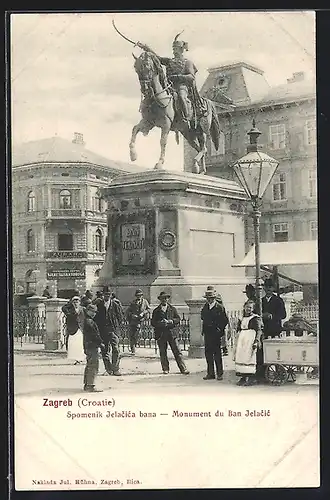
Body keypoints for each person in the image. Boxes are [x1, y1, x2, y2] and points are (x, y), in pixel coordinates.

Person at [138, 33, 204, 128]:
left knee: (181, 97)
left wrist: (177, 76)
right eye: (173, 49)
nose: (174, 51)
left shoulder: (187, 62)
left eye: (176, 49)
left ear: (181, 50)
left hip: (182, 86)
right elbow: (158, 58)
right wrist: (145, 47)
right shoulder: (170, 61)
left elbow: (191, 77)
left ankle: (186, 119)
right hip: (169, 87)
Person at [151, 291, 189, 375]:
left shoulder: (172, 309)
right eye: (163, 298)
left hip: (172, 334)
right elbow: (153, 322)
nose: (164, 300)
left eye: (166, 298)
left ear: (168, 299)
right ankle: (165, 369)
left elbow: (178, 319)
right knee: (163, 352)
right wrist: (160, 323)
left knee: (177, 351)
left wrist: (171, 321)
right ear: (160, 299)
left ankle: (183, 368)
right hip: (161, 334)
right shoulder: (156, 311)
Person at [94, 286, 125, 376]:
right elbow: (95, 318)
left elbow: (120, 317)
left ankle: (115, 369)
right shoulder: (99, 304)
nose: (107, 296)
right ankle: (108, 369)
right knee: (105, 350)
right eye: (105, 294)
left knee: (116, 349)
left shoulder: (115, 304)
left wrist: (117, 328)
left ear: (111, 295)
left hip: (113, 331)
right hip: (103, 331)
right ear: (103, 295)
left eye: (108, 294)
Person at [201, 286, 229, 381]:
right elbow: (202, 317)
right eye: (208, 298)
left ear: (214, 298)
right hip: (207, 333)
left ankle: (219, 373)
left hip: (216, 334)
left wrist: (219, 329)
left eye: (211, 298)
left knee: (217, 354)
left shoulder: (219, 307)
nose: (209, 300)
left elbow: (225, 320)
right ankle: (210, 373)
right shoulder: (205, 307)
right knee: (208, 354)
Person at [234, 300, 261, 386]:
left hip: (250, 338)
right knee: (241, 357)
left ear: (253, 309)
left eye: (250, 308)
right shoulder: (241, 318)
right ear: (244, 307)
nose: (248, 309)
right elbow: (238, 328)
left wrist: (256, 340)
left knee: (249, 357)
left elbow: (259, 330)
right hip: (242, 339)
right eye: (247, 307)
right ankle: (243, 377)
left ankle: (251, 378)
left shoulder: (255, 318)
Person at [82, 304, 105, 393]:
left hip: (88, 345)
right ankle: (90, 385)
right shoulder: (89, 322)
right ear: (88, 311)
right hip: (92, 346)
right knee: (93, 365)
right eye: (92, 311)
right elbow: (94, 335)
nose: (94, 313)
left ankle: (87, 384)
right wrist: (100, 343)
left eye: (95, 312)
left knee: (89, 364)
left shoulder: (87, 320)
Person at [62, 295, 85, 365]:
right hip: (73, 329)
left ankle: (81, 358)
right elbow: (63, 308)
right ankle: (76, 358)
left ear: (79, 302)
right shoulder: (69, 310)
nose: (75, 303)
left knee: (80, 343)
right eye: (74, 302)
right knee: (73, 344)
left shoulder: (82, 309)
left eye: (77, 302)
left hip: (80, 328)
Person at [126, 289, 150, 354]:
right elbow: (128, 311)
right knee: (131, 335)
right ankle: (133, 350)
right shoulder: (133, 302)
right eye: (137, 295)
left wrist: (143, 313)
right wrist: (132, 315)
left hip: (140, 320)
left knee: (137, 334)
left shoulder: (145, 302)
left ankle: (136, 342)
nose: (138, 297)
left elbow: (148, 309)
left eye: (140, 295)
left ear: (142, 296)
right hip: (133, 320)